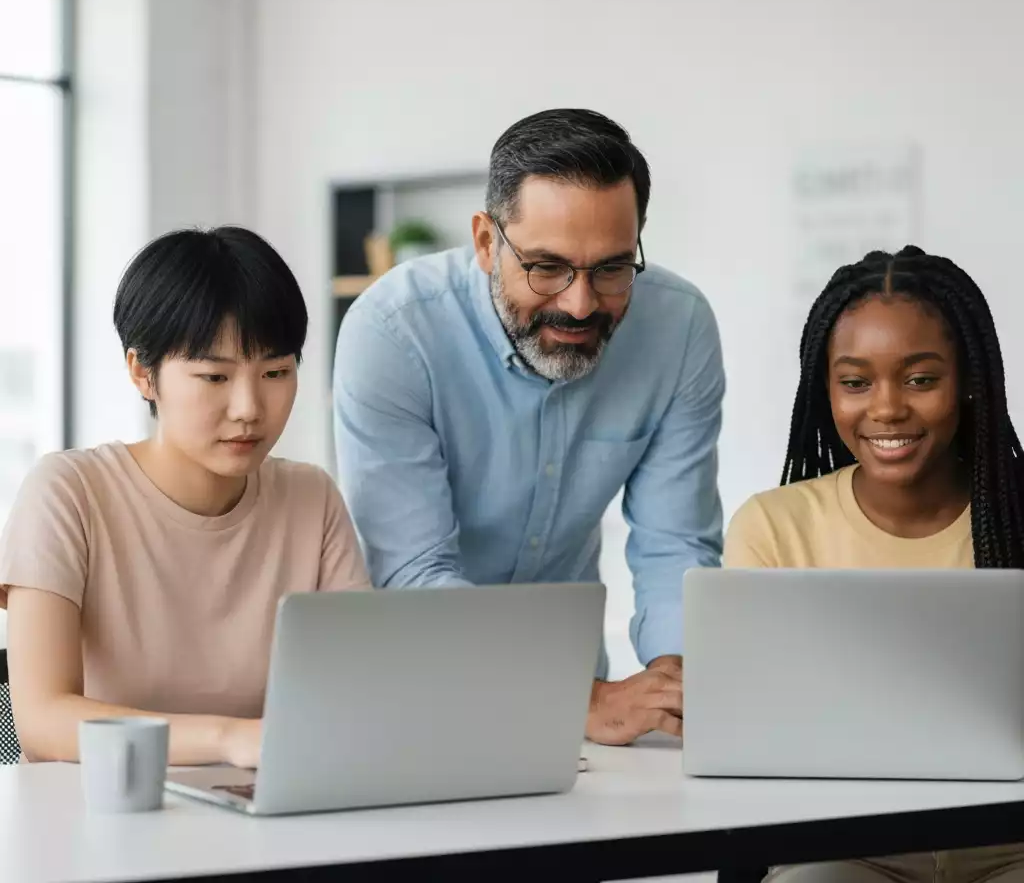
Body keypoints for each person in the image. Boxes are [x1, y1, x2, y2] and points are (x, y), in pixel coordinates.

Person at [333, 108, 725, 745]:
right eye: (546, 267)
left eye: (611, 269)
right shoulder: (395, 332)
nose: (580, 302)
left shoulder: (678, 329)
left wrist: (675, 685)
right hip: (422, 698)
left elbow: (675, 542)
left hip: (584, 712)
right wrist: (576, 699)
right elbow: (414, 573)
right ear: (487, 241)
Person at [0, 227, 369, 767]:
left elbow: (358, 696)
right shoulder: (68, 493)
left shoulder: (311, 498)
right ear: (142, 374)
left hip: (265, 813)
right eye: (214, 377)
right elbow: (42, 722)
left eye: (275, 372)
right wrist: (230, 739)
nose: (248, 407)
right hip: (101, 817)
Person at [725, 245, 1024, 883]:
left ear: (969, 379)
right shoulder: (774, 528)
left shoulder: (1015, 515)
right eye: (856, 382)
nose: (887, 409)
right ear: (824, 389)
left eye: (920, 378)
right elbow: (751, 731)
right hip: (846, 843)